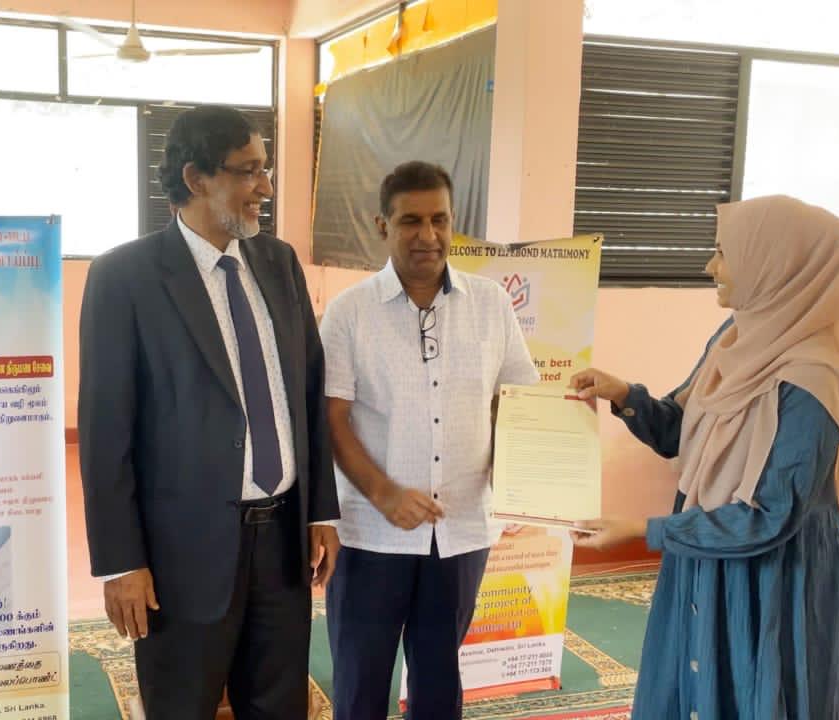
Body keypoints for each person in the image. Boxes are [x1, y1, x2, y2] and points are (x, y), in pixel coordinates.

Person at [78, 104, 340, 719]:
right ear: (196, 178)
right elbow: (105, 431)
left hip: (282, 543)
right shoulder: (125, 277)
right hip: (181, 552)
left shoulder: (279, 263)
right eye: (248, 171)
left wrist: (321, 510)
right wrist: (122, 562)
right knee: (182, 705)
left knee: (279, 705)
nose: (265, 187)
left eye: (265, 169)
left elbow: (308, 390)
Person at [571, 195, 839, 719]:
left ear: (774, 264)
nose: (710, 267)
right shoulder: (733, 342)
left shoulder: (813, 381)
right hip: (710, 554)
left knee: (764, 690)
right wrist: (622, 394)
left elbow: (772, 515)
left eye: (723, 253)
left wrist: (645, 530)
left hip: (779, 575)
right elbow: (682, 431)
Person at [319, 161, 540, 720]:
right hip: (371, 534)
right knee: (361, 683)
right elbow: (331, 416)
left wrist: (534, 485)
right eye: (410, 221)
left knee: (440, 683)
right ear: (382, 225)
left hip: (461, 530)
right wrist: (384, 493)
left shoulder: (491, 303)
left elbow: (516, 402)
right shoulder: (349, 312)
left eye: (439, 219)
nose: (428, 235)